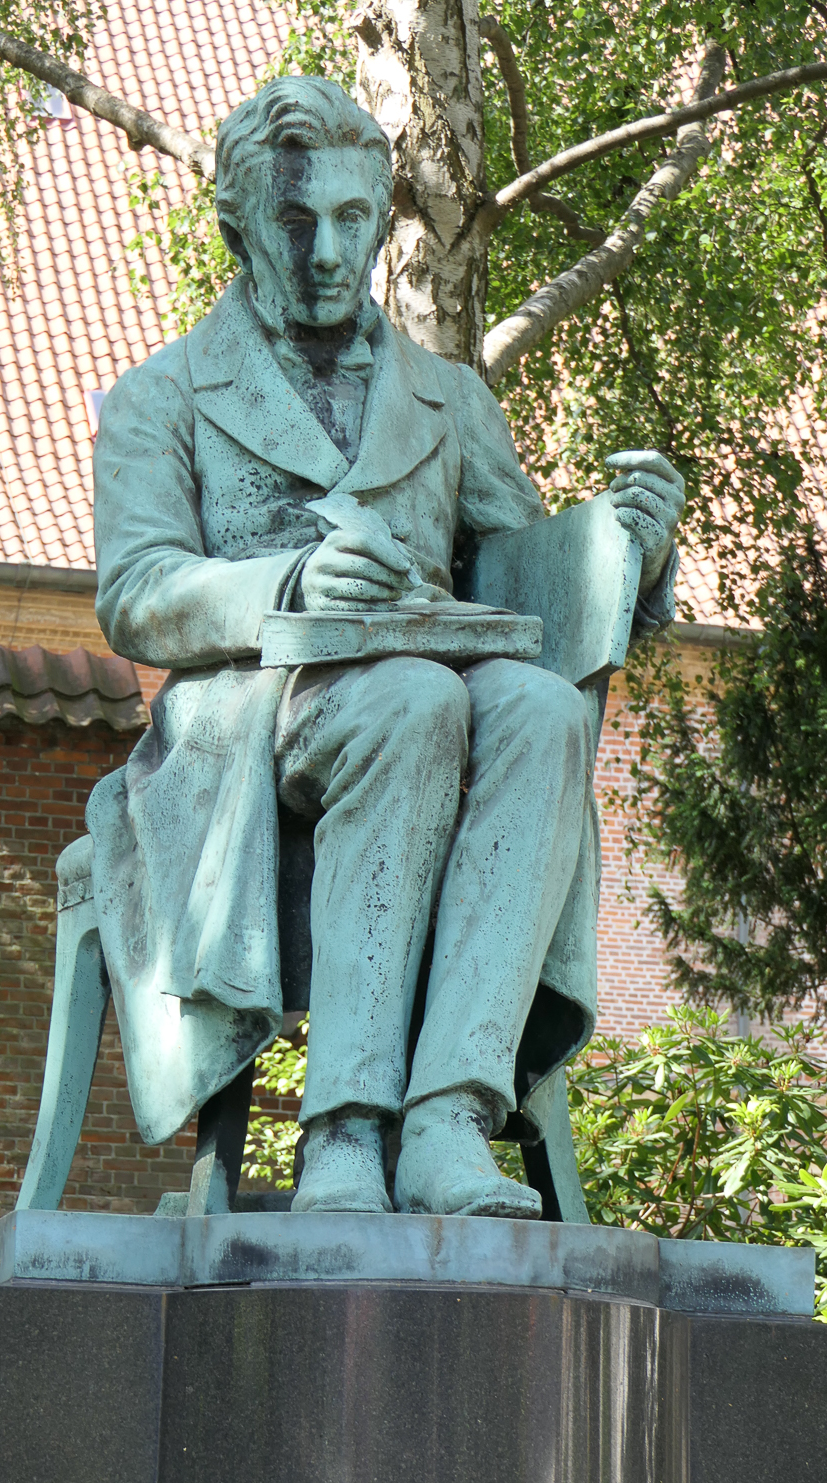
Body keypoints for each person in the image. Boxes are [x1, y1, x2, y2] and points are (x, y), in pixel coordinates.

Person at [86, 76, 683, 1216]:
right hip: (249, 721)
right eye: (294, 220)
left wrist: (630, 549)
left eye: (352, 219)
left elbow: (525, 577)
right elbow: (138, 592)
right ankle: (345, 1133)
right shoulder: (163, 396)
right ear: (237, 227)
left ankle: (451, 1116)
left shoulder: (447, 399)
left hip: (425, 690)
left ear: (378, 218)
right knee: (416, 701)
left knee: (539, 710)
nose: (327, 252)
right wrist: (286, 583)